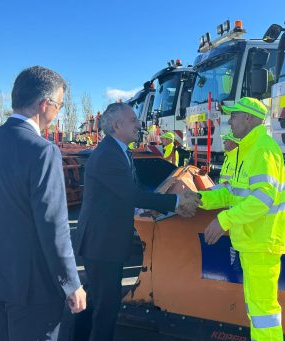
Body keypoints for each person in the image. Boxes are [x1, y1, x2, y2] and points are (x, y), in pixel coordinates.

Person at [0, 66, 86, 341]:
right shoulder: (43, 151)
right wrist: (72, 284)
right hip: (32, 287)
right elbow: (54, 226)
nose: (57, 113)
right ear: (44, 104)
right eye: (58, 106)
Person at [75, 102, 201, 341]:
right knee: (106, 309)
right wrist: (176, 202)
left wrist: (163, 199)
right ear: (116, 125)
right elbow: (132, 195)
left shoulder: (119, 151)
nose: (138, 124)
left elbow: (131, 191)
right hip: (102, 244)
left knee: (95, 302)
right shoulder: (109, 155)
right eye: (133, 120)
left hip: (104, 242)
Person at [199, 97, 285, 341]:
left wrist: (224, 221)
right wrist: (199, 199)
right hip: (254, 241)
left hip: (263, 242)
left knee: (264, 311)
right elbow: (233, 193)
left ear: (249, 118)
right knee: (258, 310)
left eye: (234, 115)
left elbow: (262, 200)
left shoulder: (262, 149)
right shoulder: (248, 148)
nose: (229, 120)